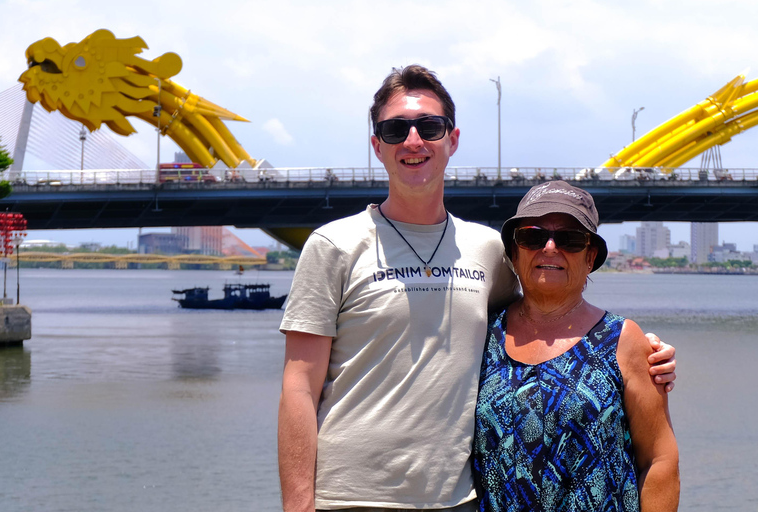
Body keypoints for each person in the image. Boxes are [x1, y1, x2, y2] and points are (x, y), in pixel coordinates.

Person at [277, 65, 677, 512]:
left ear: (452, 139)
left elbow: (547, 309)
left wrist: (644, 352)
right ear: (377, 145)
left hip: (458, 501)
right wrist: (298, 504)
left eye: (430, 127)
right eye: (396, 129)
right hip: (348, 499)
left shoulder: (485, 249)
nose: (413, 140)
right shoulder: (333, 245)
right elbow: (298, 386)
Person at [473, 181, 680, 511]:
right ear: (514, 252)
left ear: (590, 257)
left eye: (570, 239)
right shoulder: (481, 334)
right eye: (532, 236)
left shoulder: (622, 340)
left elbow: (660, 460)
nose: (551, 247)